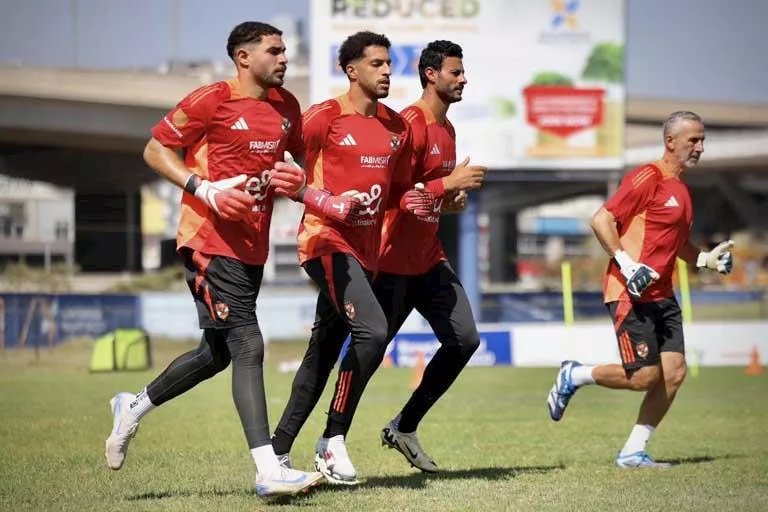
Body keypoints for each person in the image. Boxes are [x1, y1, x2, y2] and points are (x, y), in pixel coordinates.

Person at [103, 21, 323, 498]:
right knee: (248, 343)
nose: (284, 58)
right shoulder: (212, 100)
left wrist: (298, 181)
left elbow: (301, 163)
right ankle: (268, 470)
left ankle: (132, 407)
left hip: (251, 247)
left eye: (285, 51)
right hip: (208, 241)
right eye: (274, 51)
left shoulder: (288, 107)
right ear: (243, 57)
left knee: (217, 353)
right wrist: (205, 190)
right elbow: (155, 149)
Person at [268, 40, 487, 479]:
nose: (388, 70)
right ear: (351, 70)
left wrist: (445, 200)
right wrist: (317, 197)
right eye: (378, 63)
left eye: (389, 63)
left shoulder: (408, 126)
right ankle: (325, 442)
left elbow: (403, 195)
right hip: (373, 257)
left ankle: (293, 450)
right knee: (364, 341)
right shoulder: (392, 121)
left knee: (461, 340)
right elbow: (280, 158)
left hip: (417, 258)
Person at [546, 111, 735, 468]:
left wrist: (705, 259)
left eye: (702, 140)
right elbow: (601, 219)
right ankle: (575, 374)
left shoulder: (682, 191)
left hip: (663, 295)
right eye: (693, 140)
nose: (700, 147)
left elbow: (677, 243)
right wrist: (627, 263)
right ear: (670, 141)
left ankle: (633, 451)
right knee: (644, 377)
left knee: (674, 373)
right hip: (628, 293)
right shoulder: (647, 176)